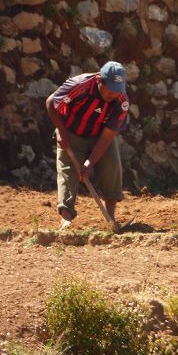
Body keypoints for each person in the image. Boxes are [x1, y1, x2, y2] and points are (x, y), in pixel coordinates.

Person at [46, 61, 130, 231]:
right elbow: (51, 103)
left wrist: (89, 163)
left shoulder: (121, 101)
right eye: (111, 88)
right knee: (68, 173)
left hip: (99, 136)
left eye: (117, 89)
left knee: (111, 167)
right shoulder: (79, 86)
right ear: (100, 80)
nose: (114, 93)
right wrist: (61, 131)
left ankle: (110, 220)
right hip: (71, 132)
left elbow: (107, 138)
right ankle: (66, 220)